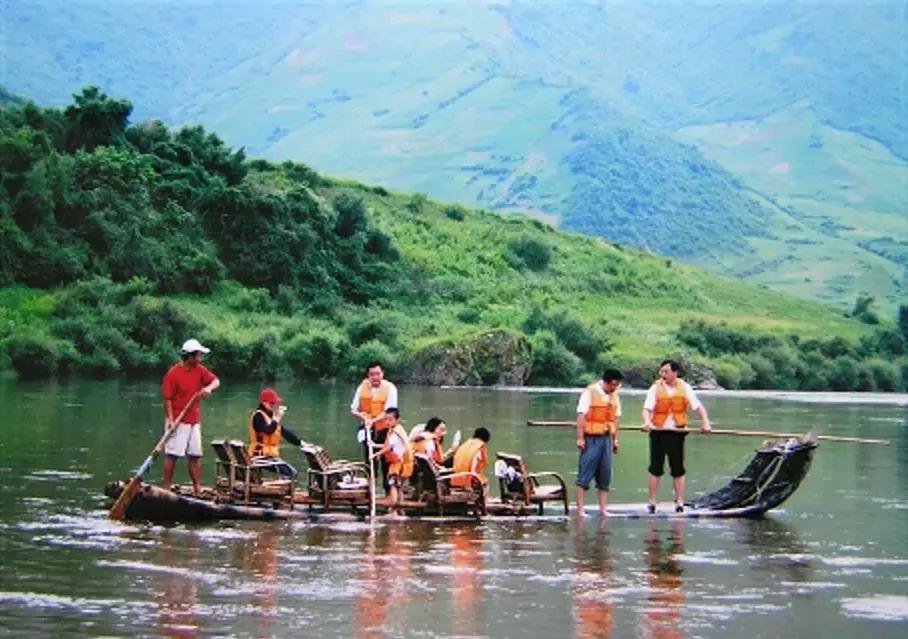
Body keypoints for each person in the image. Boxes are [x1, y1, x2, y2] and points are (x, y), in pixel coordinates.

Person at [642, 359, 711, 513]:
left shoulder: (685, 387)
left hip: (677, 432)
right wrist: (647, 422)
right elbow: (647, 408)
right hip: (658, 431)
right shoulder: (655, 387)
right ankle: (652, 501)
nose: (663, 374)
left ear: (675, 372)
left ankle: (679, 502)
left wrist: (705, 422)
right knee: (655, 468)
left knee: (678, 468)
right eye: (661, 371)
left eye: (666, 371)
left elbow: (698, 407)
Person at [161, 338, 220, 496]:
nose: (201, 357)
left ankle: (197, 489)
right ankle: (166, 488)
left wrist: (208, 388)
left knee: (195, 455)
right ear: (190, 356)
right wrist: (171, 421)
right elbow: (167, 399)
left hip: (193, 419)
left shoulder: (200, 370)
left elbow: (216, 381)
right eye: (199, 354)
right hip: (177, 419)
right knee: (172, 455)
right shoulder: (173, 374)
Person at [575, 368, 623, 517]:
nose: (615, 388)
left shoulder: (615, 395)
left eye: (617, 385)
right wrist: (580, 438)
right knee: (585, 473)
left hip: (607, 438)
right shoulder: (589, 393)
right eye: (613, 385)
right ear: (606, 382)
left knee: (605, 474)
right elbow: (581, 416)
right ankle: (580, 510)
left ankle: (603, 509)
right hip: (591, 438)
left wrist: (615, 440)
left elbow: (616, 419)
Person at [350, 361, 398, 486]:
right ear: (368, 375)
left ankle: (388, 488)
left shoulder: (390, 388)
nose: (375, 377)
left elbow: (390, 411)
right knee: (369, 460)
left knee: (386, 460)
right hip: (368, 429)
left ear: (382, 374)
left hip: (385, 429)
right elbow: (353, 409)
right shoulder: (362, 387)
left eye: (378, 374)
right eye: (372, 374)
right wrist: (363, 416)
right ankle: (370, 488)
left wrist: (373, 420)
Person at [248, 387, 303, 478]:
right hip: (259, 456)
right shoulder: (258, 416)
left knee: (292, 472)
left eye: (274, 403)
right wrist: (277, 418)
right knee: (290, 473)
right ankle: (284, 485)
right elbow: (268, 431)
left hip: (269, 456)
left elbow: (284, 432)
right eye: (271, 403)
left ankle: (283, 484)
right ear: (264, 403)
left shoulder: (270, 417)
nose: (273, 405)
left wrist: (300, 443)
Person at [377, 407, 413, 517]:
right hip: (405, 463)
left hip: (398, 464)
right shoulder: (398, 430)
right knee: (399, 486)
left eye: (390, 419)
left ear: (397, 420)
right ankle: (401, 511)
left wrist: (376, 454)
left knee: (393, 486)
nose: (387, 422)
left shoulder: (395, 432)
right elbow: (388, 445)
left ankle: (393, 511)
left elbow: (388, 448)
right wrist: (374, 445)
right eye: (386, 419)